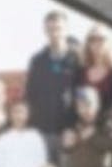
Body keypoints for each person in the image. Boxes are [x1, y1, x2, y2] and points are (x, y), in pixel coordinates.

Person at [24, 10, 81, 142]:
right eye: (50, 29)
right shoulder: (37, 60)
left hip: (69, 131)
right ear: (45, 31)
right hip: (42, 130)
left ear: (66, 30)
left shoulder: (77, 59)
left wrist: (75, 126)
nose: (54, 33)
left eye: (58, 28)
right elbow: (30, 94)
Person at [77, 25, 112, 123]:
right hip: (82, 125)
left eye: (101, 39)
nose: (96, 42)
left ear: (109, 42)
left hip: (108, 127)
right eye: (92, 39)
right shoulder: (81, 69)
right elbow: (76, 98)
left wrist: (94, 120)